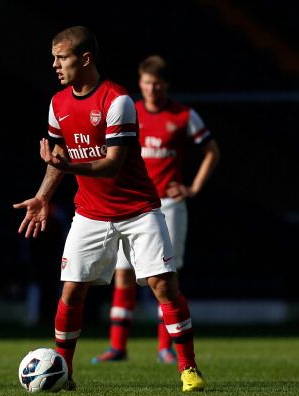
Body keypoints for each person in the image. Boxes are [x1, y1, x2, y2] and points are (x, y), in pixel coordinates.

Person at [13, 27, 205, 392]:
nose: (54, 64)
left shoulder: (118, 101)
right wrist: (42, 197)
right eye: (53, 57)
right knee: (71, 292)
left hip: (138, 210)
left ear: (85, 59)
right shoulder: (58, 103)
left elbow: (113, 164)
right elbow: (58, 158)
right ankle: (64, 373)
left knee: (163, 285)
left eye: (62, 57)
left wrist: (67, 166)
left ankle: (188, 369)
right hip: (89, 212)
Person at [91, 55, 220, 365]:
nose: (152, 89)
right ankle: (117, 347)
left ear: (166, 85)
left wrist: (194, 187)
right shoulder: (129, 111)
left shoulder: (183, 115)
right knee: (123, 276)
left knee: (165, 277)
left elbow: (212, 151)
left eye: (157, 83)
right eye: (147, 83)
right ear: (140, 83)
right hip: (131, 204)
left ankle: (166, 348)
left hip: (169, 205)